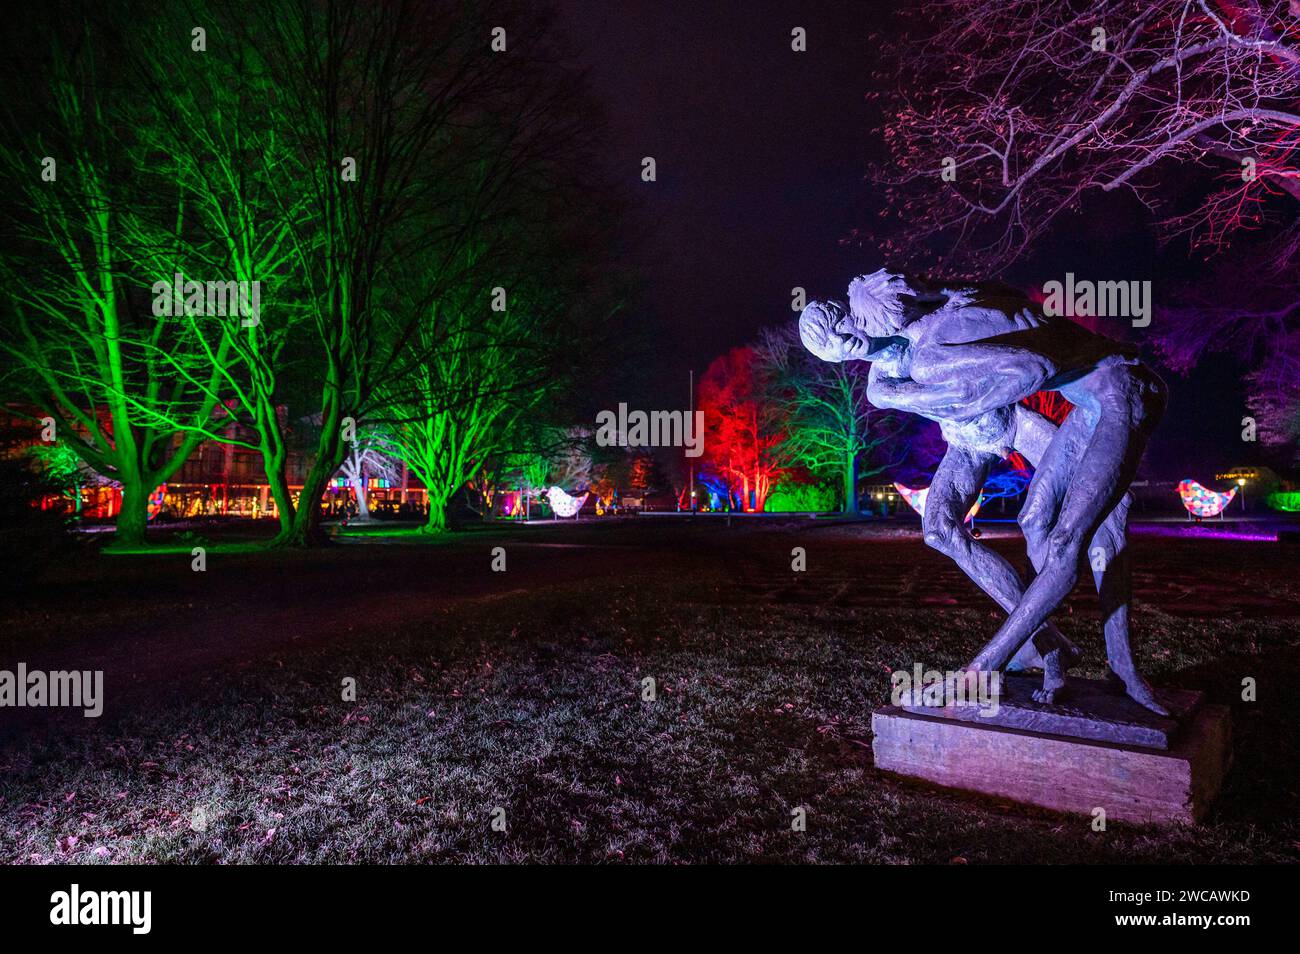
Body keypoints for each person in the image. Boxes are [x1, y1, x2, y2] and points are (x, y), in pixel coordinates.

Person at [799, 270, 1167, 713]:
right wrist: (957, 393)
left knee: (1079, 533)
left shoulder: (933, 332)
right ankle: (1050, 644)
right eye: (831, 348)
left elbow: (1028, 363)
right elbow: (986, 367)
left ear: (854, 313)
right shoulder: (887, 379)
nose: (843, 342)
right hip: (989, 430)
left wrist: (966, 376)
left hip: (1053, 405)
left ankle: (1022, 666)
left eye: (840, 326)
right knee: (971, 526)